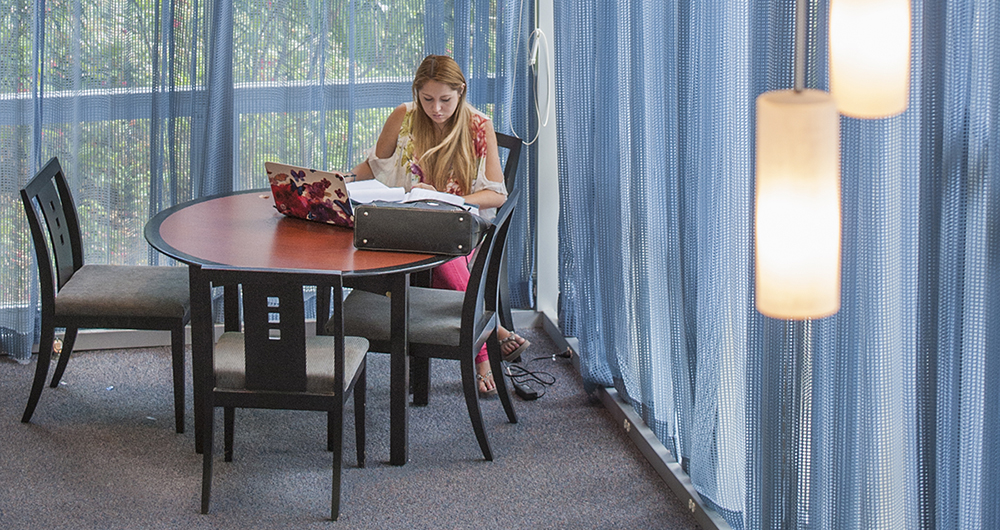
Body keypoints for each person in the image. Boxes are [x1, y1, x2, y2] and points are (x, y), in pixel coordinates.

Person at [341, 54, 529, 396]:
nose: (437, 109)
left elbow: (496, 195)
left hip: (459, 223)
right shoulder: (404, 116)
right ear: (416, 94)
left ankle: (481, 353)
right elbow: (374, 166)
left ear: (461, 92)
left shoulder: (477, 125)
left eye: (445, 99)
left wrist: (449, 200)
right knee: (422, 240)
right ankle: (490, 329)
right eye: (427, 99)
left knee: (443, 246)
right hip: (410, 220)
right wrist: (345, 179)